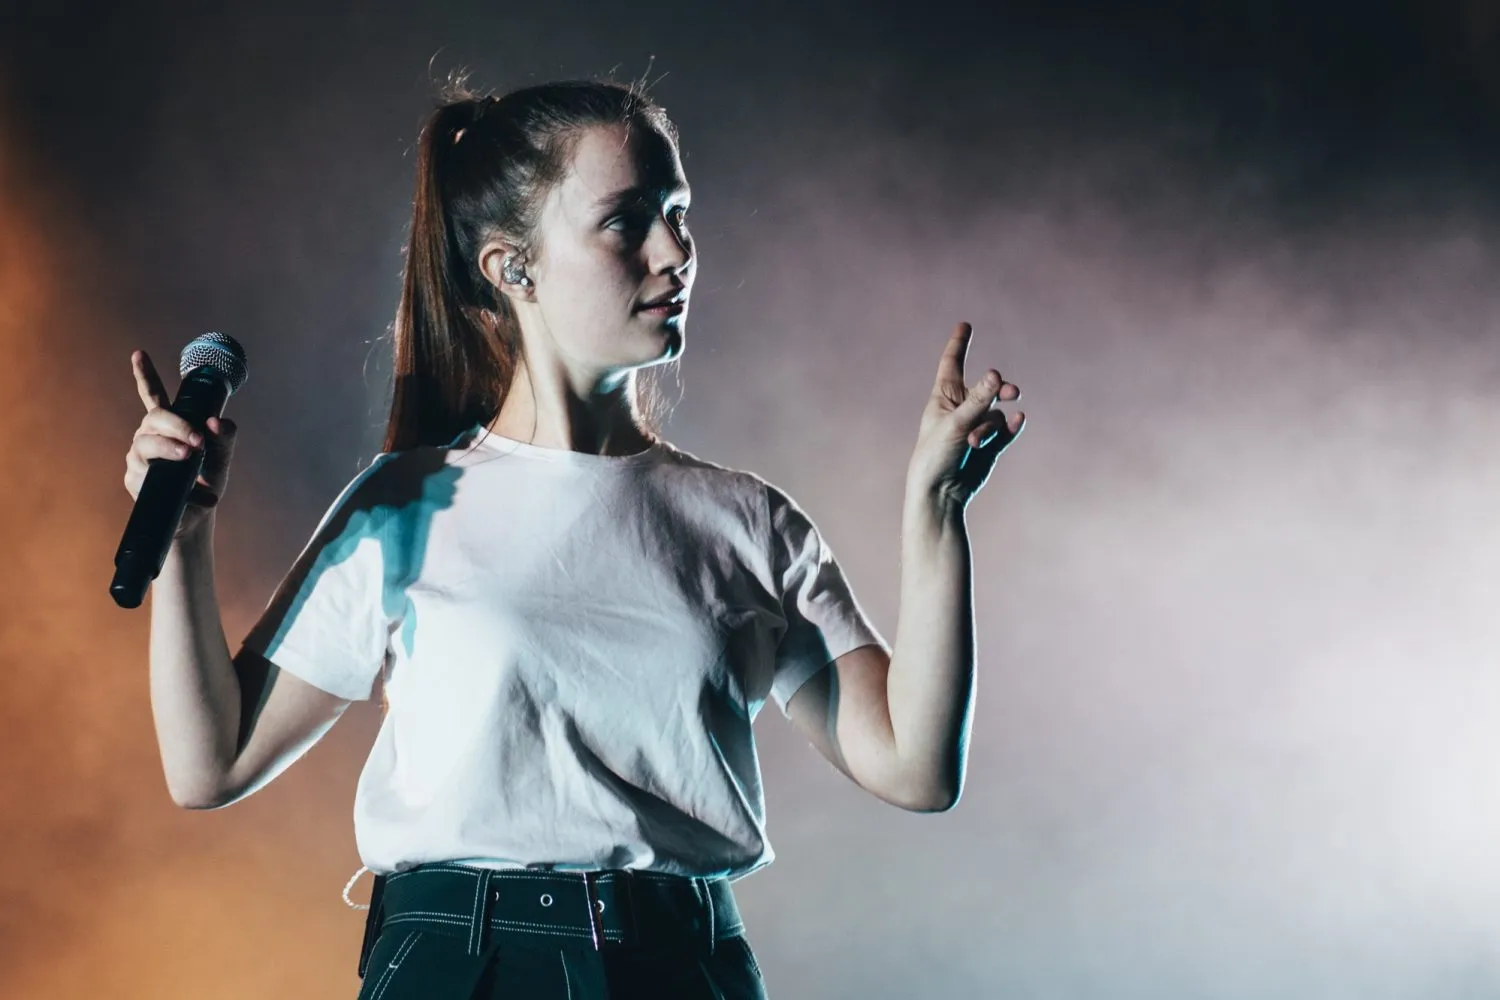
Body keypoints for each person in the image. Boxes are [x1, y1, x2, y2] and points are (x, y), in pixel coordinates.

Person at [122, 77, 1025, 999]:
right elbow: (210, 764)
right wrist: (185, 542)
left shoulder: (749, 521)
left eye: (679, 214)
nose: (676, 252)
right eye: (627, 221)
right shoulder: (405, 504)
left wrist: (936, 514)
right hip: (461, 966)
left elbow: (914, 767)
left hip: (683, 967)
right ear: (512, 267)